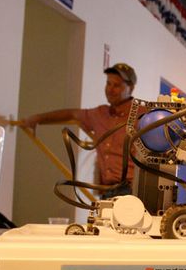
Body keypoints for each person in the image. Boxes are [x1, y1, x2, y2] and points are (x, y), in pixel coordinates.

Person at [21, 63, 137, 199]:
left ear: (131, 88)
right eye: (108, 84)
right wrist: (37, 118)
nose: (110, 89)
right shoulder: (100, 113)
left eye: (116, 85)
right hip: (107, 192)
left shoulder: (142, 115)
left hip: (132, 192)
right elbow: (71, 114)